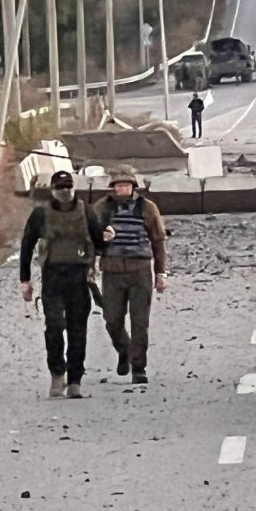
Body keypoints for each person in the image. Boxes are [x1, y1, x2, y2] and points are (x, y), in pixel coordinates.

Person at [20, 171, 108, 399]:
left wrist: (96, 261)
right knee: (55, 327)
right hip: (52, 277)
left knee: (78, 330)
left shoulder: (85, 211)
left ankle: (75, 379)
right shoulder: (41, 214)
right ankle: (57, 374)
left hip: (78, 277)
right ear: (52, 190)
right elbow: (27, 245)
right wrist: (25, 280)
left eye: (68, 188)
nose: (65, 192)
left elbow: (99, 241)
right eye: (61, 188)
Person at [92, 165, 168, 385]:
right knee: (111, 319)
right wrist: (91, 260)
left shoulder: (148, 208)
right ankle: (124, 350)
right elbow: (88, 235)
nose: (122, 188)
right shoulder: (101, 208)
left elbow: (158, 240)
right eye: (118, 185)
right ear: (112, 187)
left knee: (139, 322)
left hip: (140, 271)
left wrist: (160, 273)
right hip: (111, 271)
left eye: (126, 185)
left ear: (133, 186)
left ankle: (138, 367)